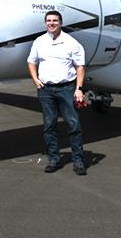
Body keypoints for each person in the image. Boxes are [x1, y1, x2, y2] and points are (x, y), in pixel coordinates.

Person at [27, 10, 88, 175]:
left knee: (74, 124)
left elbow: (80, 67)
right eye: (48, 20)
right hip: (46, 90)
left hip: (67, 88)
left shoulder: (71, 42)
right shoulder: (39, 42)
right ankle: (54, 159)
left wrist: (79, 89)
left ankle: (78, 161)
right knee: (49, 125)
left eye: (55, 20)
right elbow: (31, 62)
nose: (51, 23)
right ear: (45, 23)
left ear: (60, 23)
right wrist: (36, 80)